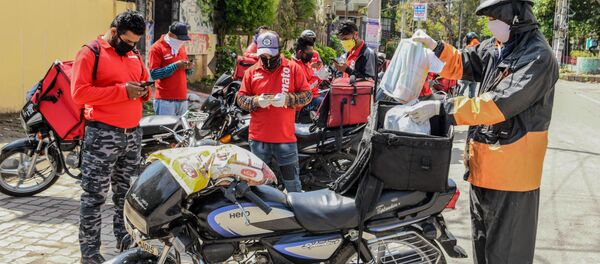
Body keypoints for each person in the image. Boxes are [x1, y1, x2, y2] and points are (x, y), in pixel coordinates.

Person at [409, 0, 559, 263]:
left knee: (507, 252)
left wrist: (443, 107)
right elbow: (466, 62)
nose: (490, 24)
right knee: (483, 245)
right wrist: (436, 47)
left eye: (494, 18)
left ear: (514, 17)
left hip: (513, 173)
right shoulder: (500, 45)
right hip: (485, 166)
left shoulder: (537, 56)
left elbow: (498, 105)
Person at [71, 10, 149, 264]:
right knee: (94, 197)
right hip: (102, 135)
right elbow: (80, 93)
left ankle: (124, 240)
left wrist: (144, 91)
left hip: (132, 135)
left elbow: (143, 80)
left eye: (135, 43)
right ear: (114, 32)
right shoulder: (90, 52)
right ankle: (90, 253)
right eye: (127, 41)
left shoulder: (134, 53)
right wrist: (122, 92)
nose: (131, 47)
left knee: (127, 195)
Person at [236, 31, 312, 192]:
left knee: (293, 185)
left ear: (279, 50)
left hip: (285, 139)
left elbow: (307, 95)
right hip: (258, 140)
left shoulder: (292, 68)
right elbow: (241, 100)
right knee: (259, 187)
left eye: (271, 55)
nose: (268, 59)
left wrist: (287, 99)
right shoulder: (251, 72)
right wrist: (256, 101)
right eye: (263, 55)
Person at [148, 22, 193, 116]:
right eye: (180, 38)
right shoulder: (156, 48)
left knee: (181, 130)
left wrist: (188, 68)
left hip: (182, 99)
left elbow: (185, 72)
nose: (182, 41)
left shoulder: (181, 48)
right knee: (167, 129)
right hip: (165, 101)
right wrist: (175, 66)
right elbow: (154, 74)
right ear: (171, 35)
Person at [292, 34, 324, 119]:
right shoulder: (295, 67)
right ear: (300, 52)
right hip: (304, 102)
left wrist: (320, 75)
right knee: (326, 105)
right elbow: (305, 88)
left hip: (314, 95)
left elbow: (313, 81)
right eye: (309, 53)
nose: (311, 56)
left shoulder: (306, 63)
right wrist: (318, 77)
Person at [458, 32, 481, 97]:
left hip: (465, 76)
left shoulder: (466, 49)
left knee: (459, 95)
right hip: (475, 77)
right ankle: (470, 107)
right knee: (472, 96)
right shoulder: (479, 49)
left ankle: (458, 107)